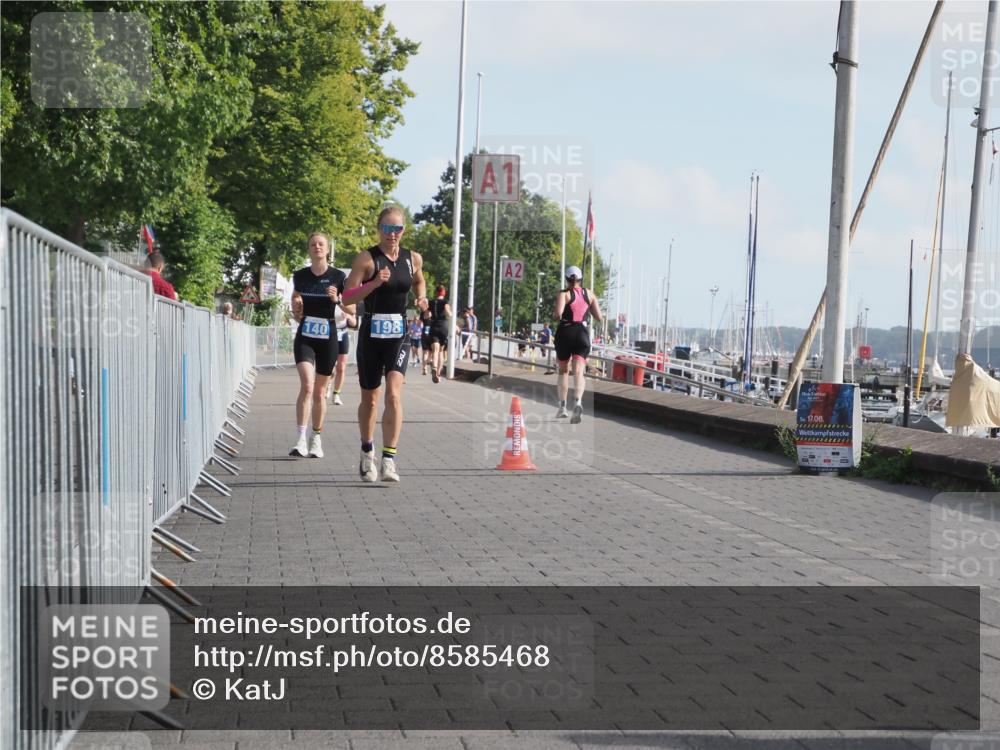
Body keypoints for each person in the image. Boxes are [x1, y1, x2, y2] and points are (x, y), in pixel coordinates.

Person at [342, 206, 427, 483]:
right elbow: (347, 298)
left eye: (397, 229)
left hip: (399, 334)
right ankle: (368, 452)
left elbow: (419, 281)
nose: (392, 234)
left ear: (404, 230)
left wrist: (422, 297)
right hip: (371, 334)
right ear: (379, 229)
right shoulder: (367, 259)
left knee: (393, 393)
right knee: (370, 399)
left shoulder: (412, 258)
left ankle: (389, 459)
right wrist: (375, 283)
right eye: (387, 229)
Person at [289, 232, 351, 458]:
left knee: (319, 391)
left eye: (321, 244)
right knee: (307, 385)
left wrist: (338, 300)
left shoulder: (338, 277)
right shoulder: (300, 276)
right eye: (313, 244)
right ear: (309, 249)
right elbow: (295, 302)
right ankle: (300, 439)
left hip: (329, 337)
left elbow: (353, 310)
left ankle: (316, 438)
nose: (317, 247)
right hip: (305, 335)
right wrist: (296, 307)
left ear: (327, 250)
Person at [554, 265, 602, 423]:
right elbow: (599, 317)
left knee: (563, 371)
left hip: (565, 332)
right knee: (579, 371)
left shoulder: (564, 294)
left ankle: (562, 407)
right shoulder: (589, 294)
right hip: (582, 333)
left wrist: (555, 314)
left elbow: (558, 313)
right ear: (580, 279)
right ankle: (578, 402)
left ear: (567, 279)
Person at [329, 303, 357, 406]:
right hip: (330, 333)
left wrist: (349, 317)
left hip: (343, 334)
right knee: (330, 367)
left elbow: (354, 323)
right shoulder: (329, 299)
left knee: (341, 367)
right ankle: (328, 384)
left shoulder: (348, 302)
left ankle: (336, 394)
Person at [426, 285, 451, 383]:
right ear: (443, 293)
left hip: (433, 327)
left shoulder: (431, 302)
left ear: (436, 292)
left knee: (435, 350)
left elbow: (427, 315)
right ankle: (438, 374)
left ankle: (434, 367)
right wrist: (451, 314)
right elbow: (448, 313)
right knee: (441, 351)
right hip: (443, 327)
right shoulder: (445, 302)